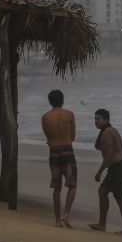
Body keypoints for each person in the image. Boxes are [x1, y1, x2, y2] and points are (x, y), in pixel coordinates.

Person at [88, 109, 122, 235]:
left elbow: (108, 157)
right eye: (95, 119)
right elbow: (98, 146)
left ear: (106, 120)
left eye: (98, 119)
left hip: (120, 167)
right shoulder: (108, 130)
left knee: (120, 198)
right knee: (102, 191)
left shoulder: (108, 132)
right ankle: (102, 224)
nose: (95, 121)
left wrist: (99, 172)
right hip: (118, 167)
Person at [41, 89, 77, 228]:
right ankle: (65, 215)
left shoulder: (45, 117)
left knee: (57, 187)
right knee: (72, 185)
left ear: (50, 102)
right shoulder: (69, 114)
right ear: (62, 100)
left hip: (54, 152)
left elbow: (48, 137)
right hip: (67, 150)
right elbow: (73, 136)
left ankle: (57, 220)